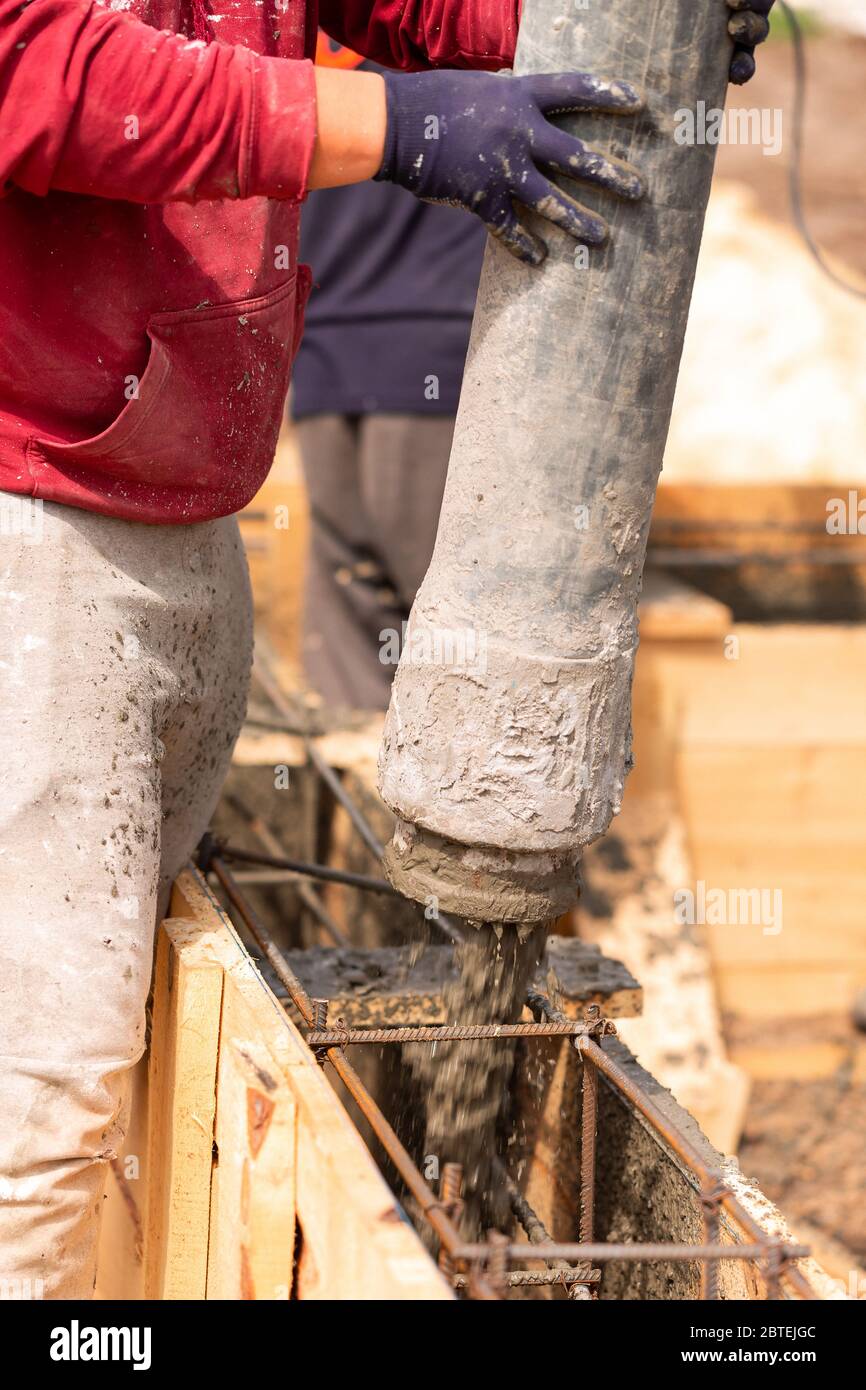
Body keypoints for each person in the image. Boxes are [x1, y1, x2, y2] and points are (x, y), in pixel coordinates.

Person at [0, 0, 774, 1299]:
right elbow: (34, 69)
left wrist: (605, 20)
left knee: (118, 1016)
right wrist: (390, 122)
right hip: (40, 519)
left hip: (173, 496)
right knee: (48, 1065)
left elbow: (391, 6)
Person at [293, 33, 487, 710]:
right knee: (456, 596)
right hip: (424, 342)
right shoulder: (462, 31)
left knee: (354, 590)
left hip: (326, 339)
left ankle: (369, 771)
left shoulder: (305, 40)